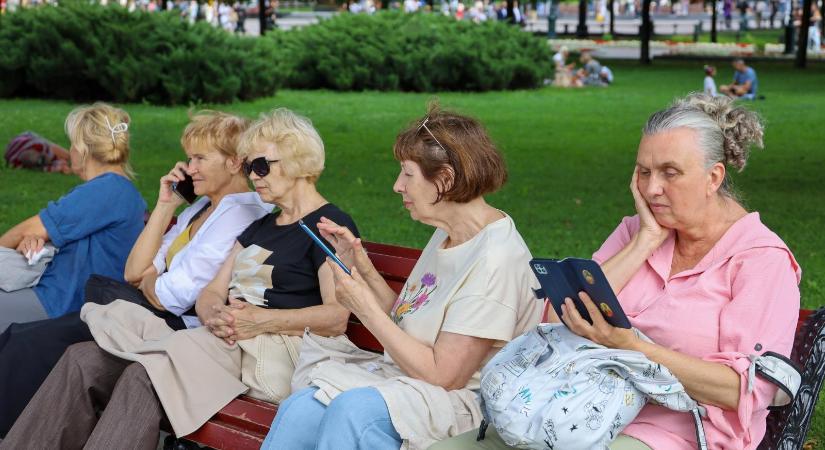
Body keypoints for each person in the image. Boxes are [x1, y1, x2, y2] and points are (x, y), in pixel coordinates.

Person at [431, 93, 801, 450]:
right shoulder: (636, 230)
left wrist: (632, 347)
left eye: (670, 173)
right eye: (644, 172)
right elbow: (554, 316)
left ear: (713, 177)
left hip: (676, 432)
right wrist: (645, 240)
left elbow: (745, 390)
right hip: (562, 411)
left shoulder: (760, 260)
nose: (653, 189)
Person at [0, 108, 358, 450]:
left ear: (299, 161)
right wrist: (215, 311)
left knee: (144, 377)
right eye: (250, 166)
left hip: (260, 355)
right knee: (83, 360)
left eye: (261, 165)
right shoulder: (263, 226)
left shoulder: (324, 226)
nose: (253, 176)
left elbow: (336, 317)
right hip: (216, 338)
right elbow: (212, 291)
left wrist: (260, 320)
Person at [262, 105, 543, 450]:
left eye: (407, 174)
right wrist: (362, 266)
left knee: (353, 411)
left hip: (466, 404)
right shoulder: (449, 232)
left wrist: (364, 309)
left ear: (445, 179)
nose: (397, 186)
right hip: (412, 383)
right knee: (302, 407)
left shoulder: (494, 260)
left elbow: (445, 375)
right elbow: (409, 317)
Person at [0, 103, 146, 332]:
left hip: (61, 305)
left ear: (82, 148)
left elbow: (25, 229)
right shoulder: (120, 191)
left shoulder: (106, 190)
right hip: (64, 300)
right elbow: (37, 234)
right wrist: (36, 240)